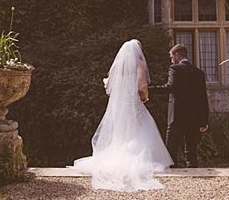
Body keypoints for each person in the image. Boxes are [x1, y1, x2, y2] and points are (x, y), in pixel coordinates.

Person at [72, 39, 173, 191]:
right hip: (133, 101)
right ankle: (140, 158)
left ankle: (120, 154)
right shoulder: (138, 62)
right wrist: (144, 95)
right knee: (144, 125)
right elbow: (142, 82)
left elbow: (108, 85)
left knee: (122, 129)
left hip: (121, 103)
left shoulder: (118, 65)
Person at [149, 43, 210, 168]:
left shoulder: (175, 69)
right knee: (191, 150)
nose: (171, 60)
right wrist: (204, 120)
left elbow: (170, 87)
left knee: (171, 147)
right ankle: (193, 173)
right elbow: (203, 97)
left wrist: (148, 90)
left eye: (171, 57)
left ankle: (173, 173)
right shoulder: (199, 72)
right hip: (194, 116)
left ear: (177, 55)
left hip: (177, 114)